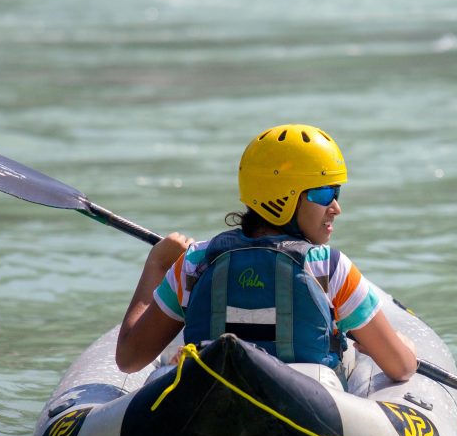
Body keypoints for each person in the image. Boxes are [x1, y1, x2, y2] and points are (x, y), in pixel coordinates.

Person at [115, 123, 417, 383]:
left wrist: (156, 265)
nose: (336, 207)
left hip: (208, 403)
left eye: (336, 193)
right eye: (325, 193)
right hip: (305, 416)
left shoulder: (194, 262)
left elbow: (129, 358)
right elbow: (401, 367)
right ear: (284, 197)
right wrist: (405, 347)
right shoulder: (329, 268)